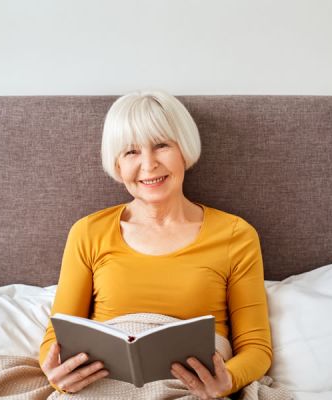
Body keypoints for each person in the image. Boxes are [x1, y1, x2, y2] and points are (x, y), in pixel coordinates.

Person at [39, 90, 272, 399]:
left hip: (191, 389)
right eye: (131, 152)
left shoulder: (236, 235)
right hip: (103, 387)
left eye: (161, 145)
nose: (148, 165)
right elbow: (58, 334)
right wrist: (56, 375)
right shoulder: (88, 232)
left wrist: (227, 379)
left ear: (184, 151)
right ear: (118, 164)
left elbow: (256, 347)